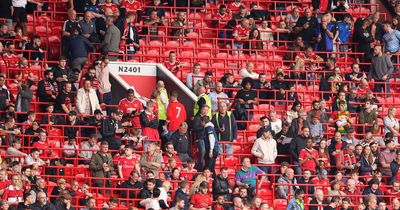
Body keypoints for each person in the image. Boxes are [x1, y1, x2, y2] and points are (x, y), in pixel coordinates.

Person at [193, 105, 209, 171]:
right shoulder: (197, 118)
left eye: (206, 110)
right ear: (201, 110)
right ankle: (199, 169)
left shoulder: (207, 118)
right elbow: (195, 128)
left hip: (205, 139)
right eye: (204, 109)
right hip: (200, 138)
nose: (205, 111)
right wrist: (204, 127)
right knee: (202, 153)